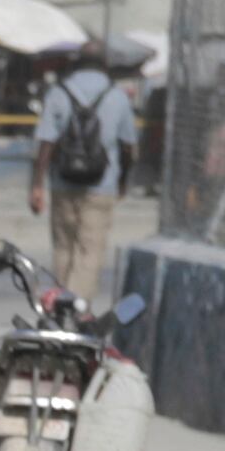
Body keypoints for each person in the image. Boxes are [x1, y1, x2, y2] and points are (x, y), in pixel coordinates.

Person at [28, 40, 135, 306]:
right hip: (102, 185)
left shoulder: (58, 92)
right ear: (106, 64)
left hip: (63, 181)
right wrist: (122, 182)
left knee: (63, 246)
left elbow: (46, 142)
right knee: (90, 249)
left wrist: (37, 185)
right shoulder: (117, 96)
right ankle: (74, 306)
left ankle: (59, 304)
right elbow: (128, 147)